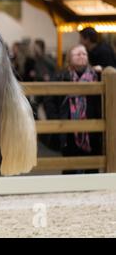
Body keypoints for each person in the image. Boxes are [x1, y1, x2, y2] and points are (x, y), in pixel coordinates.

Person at [44, 44, 102, 174]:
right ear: (69, 59)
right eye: (78, 54)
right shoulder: (60, 76)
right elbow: (49, 100)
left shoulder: (97, 75)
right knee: (69, 166)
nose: (82, 56)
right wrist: (56, 120)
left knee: (92, 167)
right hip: (68, 129)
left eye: (84, 54)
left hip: (92, 128)